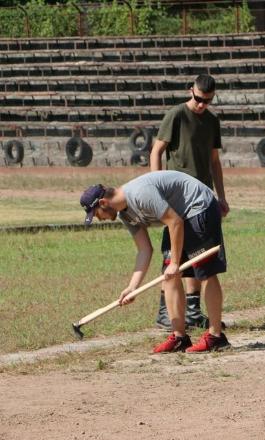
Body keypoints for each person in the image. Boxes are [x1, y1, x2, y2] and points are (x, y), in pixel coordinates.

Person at [80, 171, 230, 352]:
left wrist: (175, 263)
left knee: (205, 272)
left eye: (95, 213)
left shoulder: (140, 194)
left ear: (103, 203)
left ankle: (216, 337)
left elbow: (174, 222)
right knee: (169, 275)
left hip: (198, 206)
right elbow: (144, 250)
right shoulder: (124, 214)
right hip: (178, 217)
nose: (97, 218)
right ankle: (179, 338)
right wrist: (132, 287)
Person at [149, 74, 229, 330]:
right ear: (190, 91)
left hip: (202, 199)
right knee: (172, 253)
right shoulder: (176, 115)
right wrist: (156, 186)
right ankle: (166, 313)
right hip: (177, 198)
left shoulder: (212, 121)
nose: (201, 104)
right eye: (198, 99)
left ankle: (193, 311)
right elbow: (156, 151)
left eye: (207, 100)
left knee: (198, 256)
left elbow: (215, 161)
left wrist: (221, 196)